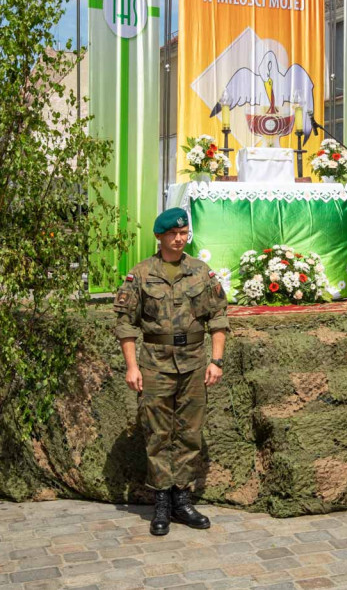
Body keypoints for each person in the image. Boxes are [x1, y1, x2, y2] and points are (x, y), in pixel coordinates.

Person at [113, 208, 229, 536]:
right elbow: (125, 323)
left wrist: (216, 361)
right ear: (160, 236)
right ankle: (161, 502)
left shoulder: (201, 272)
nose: (179, 238)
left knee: (190, 433)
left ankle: (182, 499)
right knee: (157, 434)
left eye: (183, 232)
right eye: (172, 234)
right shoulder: (141, 274)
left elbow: (218, 317)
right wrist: (132, 366)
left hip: (193, 364)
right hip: (155, 366)